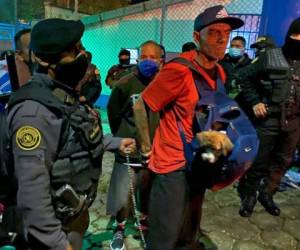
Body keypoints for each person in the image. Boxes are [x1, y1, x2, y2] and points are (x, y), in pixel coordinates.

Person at [7, 18, 136, 250]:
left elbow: (75, 138)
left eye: (81, 47)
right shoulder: (34, 112)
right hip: (50, 234)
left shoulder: (62, 94)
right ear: (44, 59)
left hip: (72, 219)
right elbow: (32, 193)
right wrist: (57, 243)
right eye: (72, 51)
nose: (82, 56)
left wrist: (115, 142)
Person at [133, 5, 243, 250]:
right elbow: (141, 105)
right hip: (172, 163)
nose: (222, 38)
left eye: (226, 32)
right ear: (196, 37)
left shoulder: (219, 73)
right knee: (164, 232)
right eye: (214, 31)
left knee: (189, 225)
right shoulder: (178, 70)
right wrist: (146, 146)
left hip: (201, 158)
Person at [237, 17, 300, 217]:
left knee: (283, 160)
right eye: (297, 36)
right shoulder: (270, 56)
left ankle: (267, 194)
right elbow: (244, 77)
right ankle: (249, 196)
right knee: (259, 160)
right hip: (269, 119)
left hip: (294, 121)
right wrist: (255, 101)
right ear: (291, 35)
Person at [107, 40, 162, 250]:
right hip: (130, 149)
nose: (148, 61)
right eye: (144, 57)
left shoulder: (164, 82)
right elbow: (113, 113)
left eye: (153, 57)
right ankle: (119, 228)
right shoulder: (125, 83)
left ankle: (146, 223)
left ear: (160, 60)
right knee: (122, 193)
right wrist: (122, 137)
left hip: (155, 150)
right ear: (138, 59)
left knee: (150, 189)